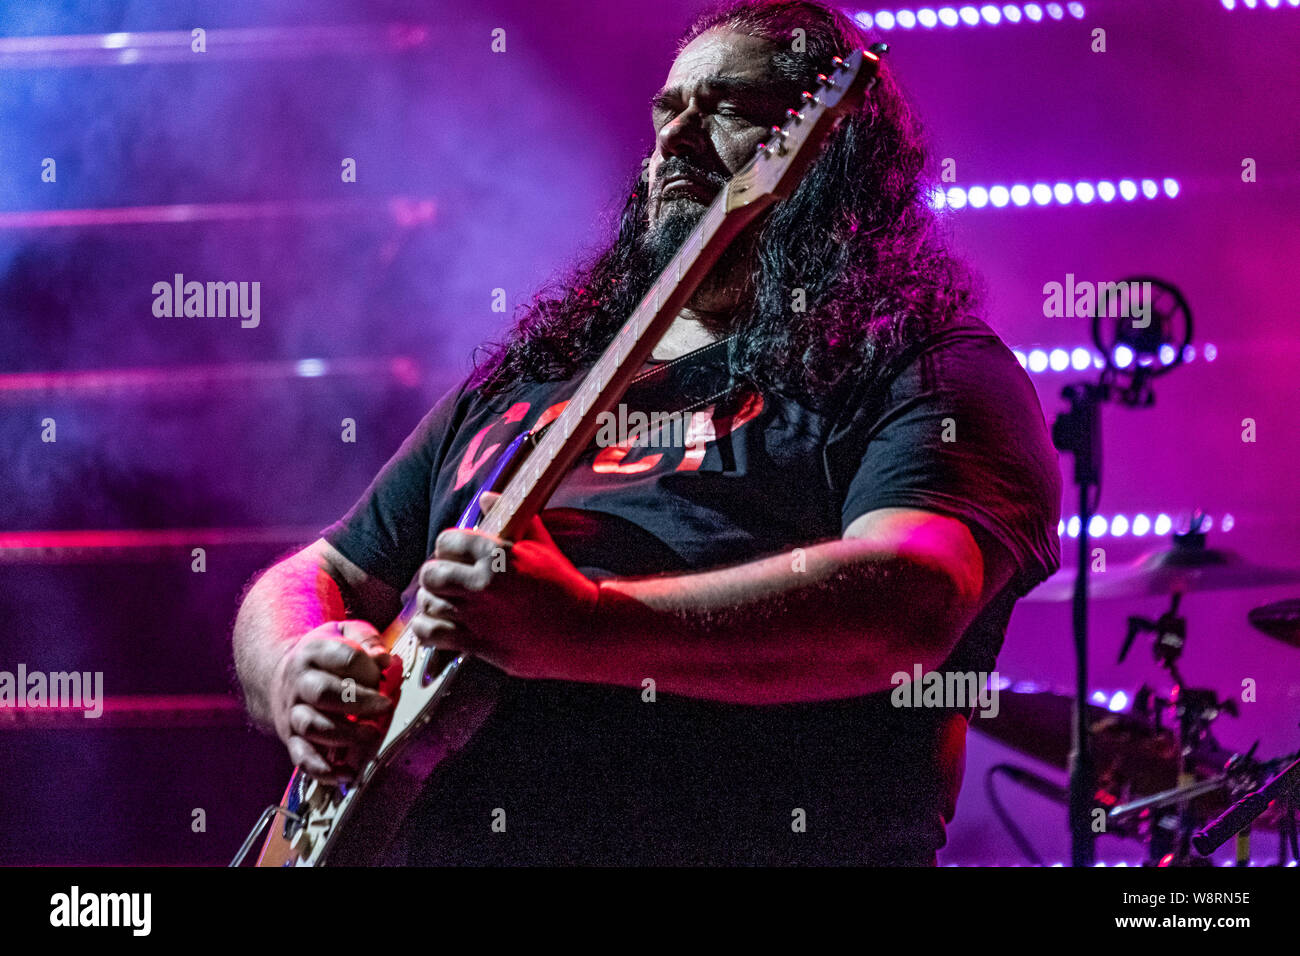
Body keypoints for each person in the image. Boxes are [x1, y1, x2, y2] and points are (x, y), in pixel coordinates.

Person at [233, 0, 1061, 865]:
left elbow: (911, 598)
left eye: (729, 106)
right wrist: (295, 668)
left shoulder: (924, 366)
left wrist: (586, 625)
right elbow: (321, 570)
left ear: (830, 151)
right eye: (669, 111)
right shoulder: (536, 379)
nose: (679, 135)